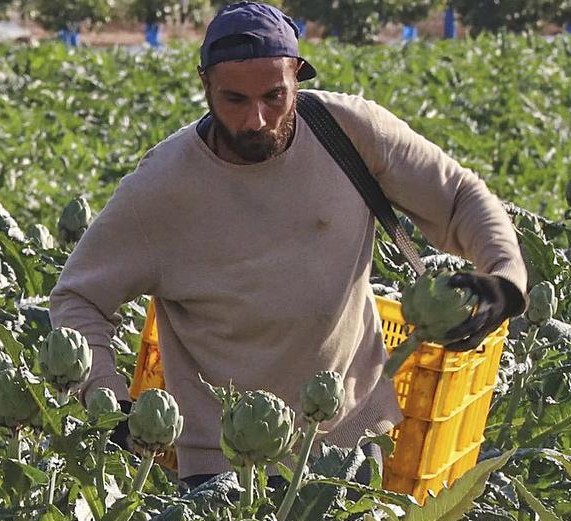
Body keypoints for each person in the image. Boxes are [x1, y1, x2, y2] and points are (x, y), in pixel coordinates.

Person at [48, 1, 528, 490]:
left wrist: (504, 279)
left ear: (297, 76)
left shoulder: (348, 133)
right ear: (205, 85)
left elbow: (460, 195)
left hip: (350, 447)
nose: (256, 119)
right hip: (223, 469)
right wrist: (107, 400)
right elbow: (78, 297)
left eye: (274, 96)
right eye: (235, 99)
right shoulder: (161, 189)